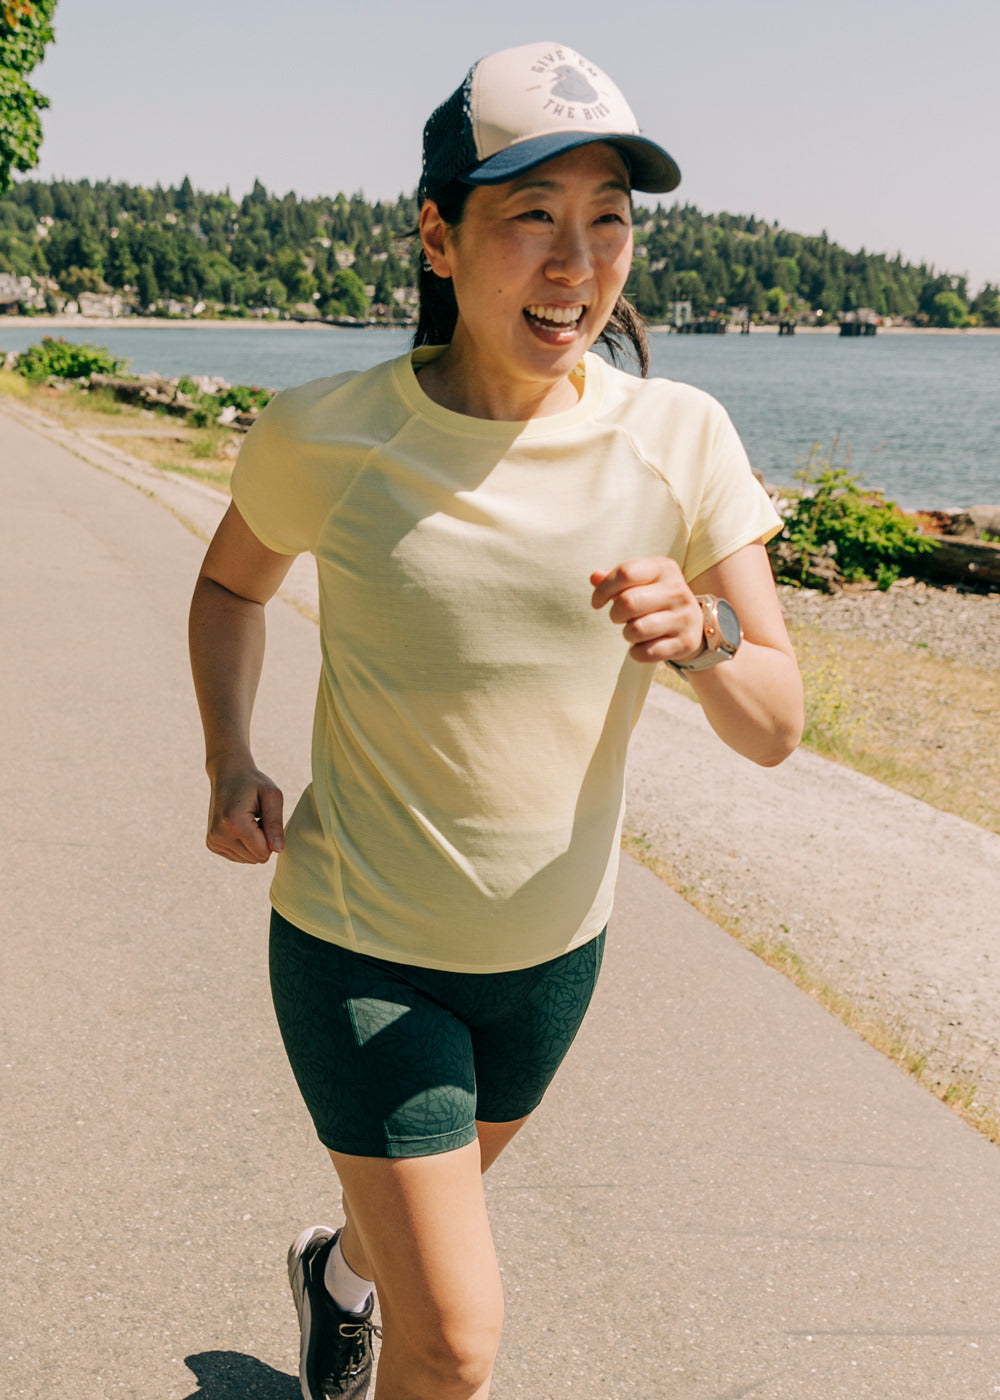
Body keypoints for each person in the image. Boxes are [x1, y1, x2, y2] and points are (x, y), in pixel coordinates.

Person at [189, 40, 803, 1400]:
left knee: (414, 1234)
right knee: (456, 1341)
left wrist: (705, 636)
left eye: (608, 220)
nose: (577, 263)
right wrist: (231, 755)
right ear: (438, 237)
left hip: (550, 961)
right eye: (532, 215)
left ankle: (338, 1273)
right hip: (359, 945)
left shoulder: (680, 440)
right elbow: (231, 586)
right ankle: (376, 1295)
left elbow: (774, 724)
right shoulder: (328, 435)